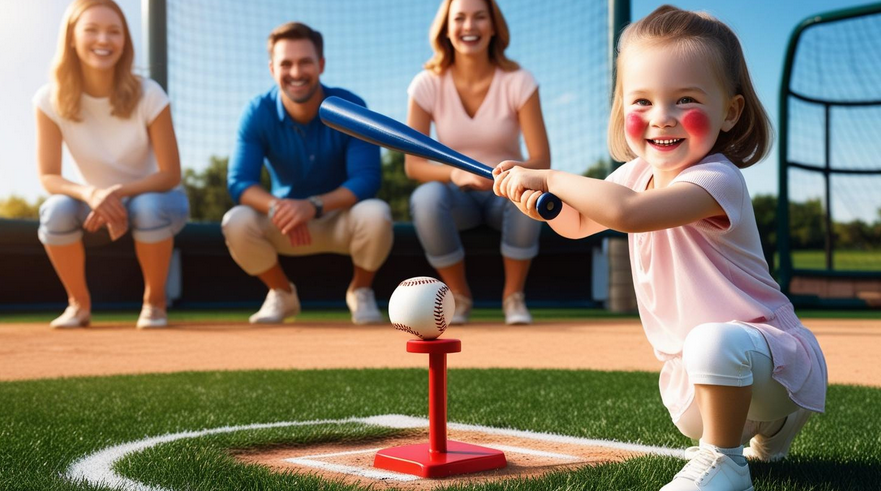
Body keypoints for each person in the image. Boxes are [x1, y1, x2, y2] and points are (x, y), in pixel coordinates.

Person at [493, 6, 827, 491]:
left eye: (684, 99)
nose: (661, 118)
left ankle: (727, 461)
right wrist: (542, 205)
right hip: (699, 372)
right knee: (695, 390)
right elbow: (583, 219)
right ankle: (769, 431)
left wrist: (548, 176)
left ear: (729, 112)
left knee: (713, 343)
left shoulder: (718, 178)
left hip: (770, 353)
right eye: (642, 102)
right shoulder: (634, 176)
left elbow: (627, 213)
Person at [222, 22, 393, 325]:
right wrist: (279, 207)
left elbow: (367, 179)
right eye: (286, 63)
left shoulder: (351, 107)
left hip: (340, 219)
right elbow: (239, 182)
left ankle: (361, 291)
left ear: (321, 65)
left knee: (376, 213)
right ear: (272, 68)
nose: (296, 72)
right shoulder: (256, 111)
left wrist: (312, 205)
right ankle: (281, 292)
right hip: (285, 222)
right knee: (235, 221)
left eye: (305, 62)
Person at [34, 0, 188, 329]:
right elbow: (48, 176)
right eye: (91, 30)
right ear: (72, 38)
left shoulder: (149, 93)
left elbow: (171, 174)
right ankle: (79, 304)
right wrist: (91, 193)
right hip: (94, 201)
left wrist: (115, 193)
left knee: (148, 207)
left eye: (114, 32)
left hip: (155, 197)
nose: (103, 40)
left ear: (124, 42)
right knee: (55, 211)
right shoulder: (48, 99)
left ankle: (155, 302)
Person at [404, 0, 551, 325]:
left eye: (479, 17)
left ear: (494, 26)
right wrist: (454, 174)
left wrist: (510, 174)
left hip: (503, 192)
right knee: (425, 198)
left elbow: (541, 159)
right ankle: (459, 296)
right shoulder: (427, 83)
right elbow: (413, 165)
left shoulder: (519, 81)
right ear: (445, 28)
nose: (469, 26)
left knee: (529, 195)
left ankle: (513, 297)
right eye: (460, 18)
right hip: (456, 196)